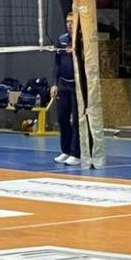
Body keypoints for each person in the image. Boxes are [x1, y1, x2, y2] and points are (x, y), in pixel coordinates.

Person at [51, 12, 81, 166]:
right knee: (62, 118)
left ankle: (76, 154)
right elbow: (57, 63)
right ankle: (66, 150)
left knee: (76, 120)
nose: (69, 24)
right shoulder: (61, 40)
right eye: (67, 21)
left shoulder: (82, 40)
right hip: (63, 84)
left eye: (72, 21)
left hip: (77, 86)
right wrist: (54, 83)